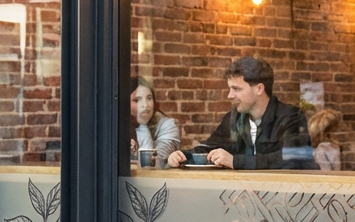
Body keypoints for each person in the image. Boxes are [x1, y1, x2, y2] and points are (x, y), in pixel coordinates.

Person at [167, 57, 317, 170]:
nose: (229, 95)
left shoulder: (291, 117)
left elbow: (293, 159)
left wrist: (235, 161)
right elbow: (209, 148)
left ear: (259, 89)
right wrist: (182, 156)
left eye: (236, 89)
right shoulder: (234, 119)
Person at [130, 77, 180, 168]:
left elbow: (157, 161)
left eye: (149, 98)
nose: (145, 105)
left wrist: (142, 126)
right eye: (137, 100)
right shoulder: (117, 124)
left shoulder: (167, 125)